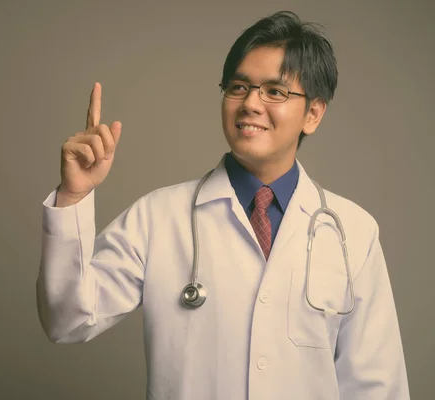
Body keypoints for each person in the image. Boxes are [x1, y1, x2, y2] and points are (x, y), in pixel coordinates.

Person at [37, 10, 410, 400]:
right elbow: (67, 320)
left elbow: (377, 386)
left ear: (312, 114)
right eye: (238, 87)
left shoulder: (353, 231)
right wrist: (73, 197)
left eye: (275, 91)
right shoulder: (158, 217)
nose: (250, 103)